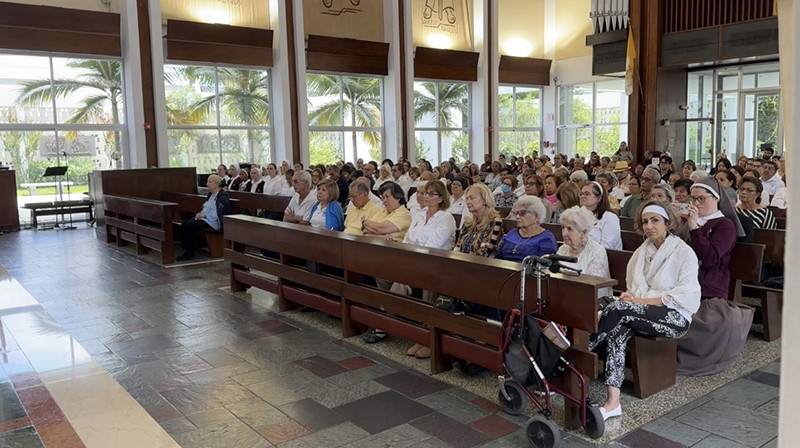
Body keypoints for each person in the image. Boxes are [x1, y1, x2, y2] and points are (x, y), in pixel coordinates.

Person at [591, 202, 700, 420]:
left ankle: (581, 349)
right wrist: (632, 296)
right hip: (641, 312)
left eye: (655, 220)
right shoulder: (642, 252)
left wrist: (637, 300)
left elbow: (687, 295)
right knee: (617, 331)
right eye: (645, 221)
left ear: (667, 223)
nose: (649, 225)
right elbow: (634, 287)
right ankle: (613, 403)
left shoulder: (683, 252)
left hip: (675, 316)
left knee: (619, 310)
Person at [678, 177, 751, 376]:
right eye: (693, 199)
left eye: (701, 199)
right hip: (681, 278)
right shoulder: (689, 222)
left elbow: (709, 258)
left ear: (716, 199)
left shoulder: (724, 225)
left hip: (709, 280)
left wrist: (693, 228)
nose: (696, 204)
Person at [556, 206, 612, 298]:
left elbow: (591, 285)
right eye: (563, 228)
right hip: (564, 297)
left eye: (569, 229)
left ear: (584, 232)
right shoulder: (563, 248)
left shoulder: (597, 252)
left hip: (591, 300)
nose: (563, 233)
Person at [176, 175, 231, 261]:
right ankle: (187, 249)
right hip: (206, 219)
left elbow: (218, 214)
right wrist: (201, 214)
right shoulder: (211, 195)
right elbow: (206, 207)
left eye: (210, 182)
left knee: (189, 226)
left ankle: (190, 252)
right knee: (184, 223)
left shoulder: (222, 197)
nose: (207, 184)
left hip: (215, 222)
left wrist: (204, 216)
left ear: (216, 184)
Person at [495, 196, 558, 263]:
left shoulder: (546, 239)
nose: (517, 217)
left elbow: (544, 266)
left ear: (536, 216)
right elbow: (497, 259)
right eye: (516, 213)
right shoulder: (511, 233)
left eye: (522, 213)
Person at [580, 182, 622, 250]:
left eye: (587, 194)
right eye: (581, 194)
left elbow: (607, 247)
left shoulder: (610, 218)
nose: (582, 196)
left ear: (599, 198)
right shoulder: (579, 214)